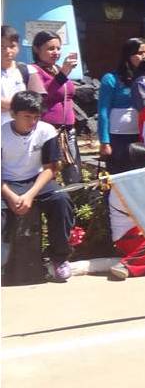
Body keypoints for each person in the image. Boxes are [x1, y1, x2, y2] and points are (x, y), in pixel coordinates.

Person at [2, 91, 75, 282]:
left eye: (36, 117)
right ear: (13, 114)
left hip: (37, 180)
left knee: (61, 200)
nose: (32, 122)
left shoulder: (47, 131)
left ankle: (59, 259)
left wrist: (29, 195)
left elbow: (51, 168)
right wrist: (11, 196)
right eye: (27, 116)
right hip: (7, 183)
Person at [26, 30, 81, 185]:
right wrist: (63, 74)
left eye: (58, 48)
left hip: (67, 130)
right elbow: (42, 95)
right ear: (37, 49)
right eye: (50, 48)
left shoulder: (57, 69)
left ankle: (74, 205)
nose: (55, 52)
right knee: (49, 173)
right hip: (48, 132)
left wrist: (62, 73)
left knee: (73, 174)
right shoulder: (33, 70)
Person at [97, 38, 145, 174]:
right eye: (139, 53)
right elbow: (103, 111)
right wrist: (104, 141)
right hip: (119, 138)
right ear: (128, 55)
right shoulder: (111, 79)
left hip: (142, 135)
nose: (144, 56)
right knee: (119, 175)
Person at [1, 25, 29, 128]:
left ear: (18, 47)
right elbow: (20, 104)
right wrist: (16, 106)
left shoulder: (24, 70)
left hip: (17, 131)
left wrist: (6, 105)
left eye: (12, 46)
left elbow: (31, 102)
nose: (8, 51)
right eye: (2, 46)